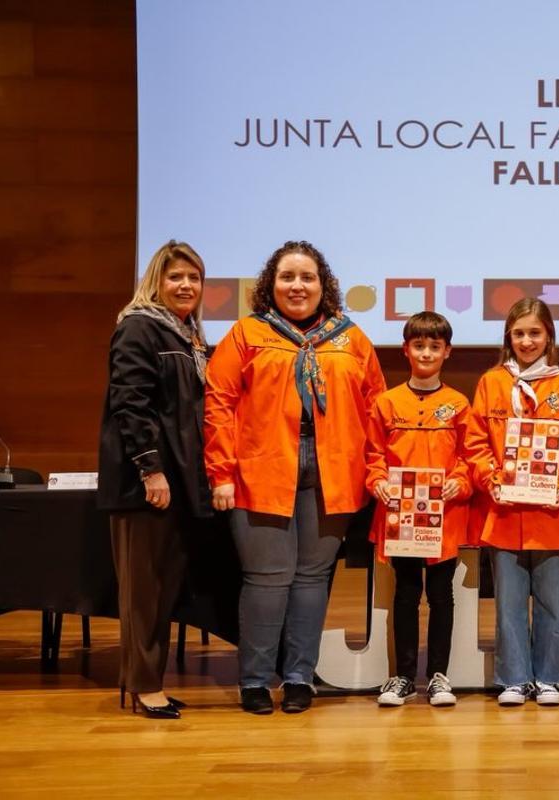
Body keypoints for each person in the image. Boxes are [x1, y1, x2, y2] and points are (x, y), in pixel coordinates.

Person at [204, 240, 385, 714]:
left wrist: (373, 471)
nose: (298, 286)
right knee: (267, 579)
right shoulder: (246, 334)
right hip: (260, 468)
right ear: (271, 284)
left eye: (308, 277)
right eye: (288, 277)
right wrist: (221, 473)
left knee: (311, 579)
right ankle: (256, 681)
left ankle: (301, 676)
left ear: (323, 286)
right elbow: (218, 405)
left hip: (334, 469)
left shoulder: (352, 338)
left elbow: (376, 409)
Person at [98, 240, 212, 719]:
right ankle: (145, 688)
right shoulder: (139, 328)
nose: (185, 285)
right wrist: (151, 470)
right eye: (175, 277)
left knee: (163, 590)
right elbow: (130, 403)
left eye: (193, 278)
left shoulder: (185, 335)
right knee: (143, 591)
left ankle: (148, 681)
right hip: (147, 485)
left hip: (177, 483)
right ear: (156, 282)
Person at [464, 298, 559, 706]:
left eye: (534, 333)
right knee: (509, 604)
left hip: (553, 511)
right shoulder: (491, 382)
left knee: (553, 602)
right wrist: (490, 479)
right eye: (518, 333)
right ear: (508, 338)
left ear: (549, 336)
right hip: (504, 512)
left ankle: (550, 676)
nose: (526, 340)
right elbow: (475, 441)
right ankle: (514, 678)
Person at [364, 312, 473, 707]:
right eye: (419, 345)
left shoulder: (459, 405)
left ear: (447, 351)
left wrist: (459, 482)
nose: (426, 352)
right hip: (401, 520)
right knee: (406, 594)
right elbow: (373, 455)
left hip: (443, 521)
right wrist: (376, 480)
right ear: (406, 349)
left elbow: (469, 457)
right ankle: (403, 676)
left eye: (435, 346)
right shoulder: (386, 403)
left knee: (442, 595)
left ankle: (439, 677)